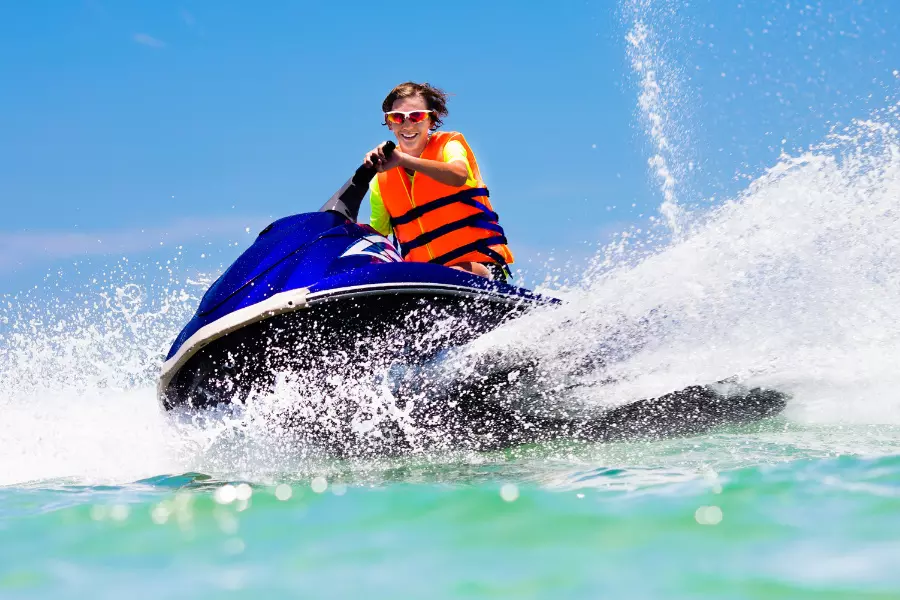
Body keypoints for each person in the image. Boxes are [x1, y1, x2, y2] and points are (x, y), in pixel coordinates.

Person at [363, 82, 514, 280]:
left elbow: (458, 175)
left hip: (482, 269)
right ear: (389, 123)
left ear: (431, 120)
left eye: (416, 116)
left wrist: (403, 159)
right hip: (425, 283)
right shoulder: (380, 180)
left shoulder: (449, 146)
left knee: (445, 276)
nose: (407, 125)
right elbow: (378, 238)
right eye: (398, 117)